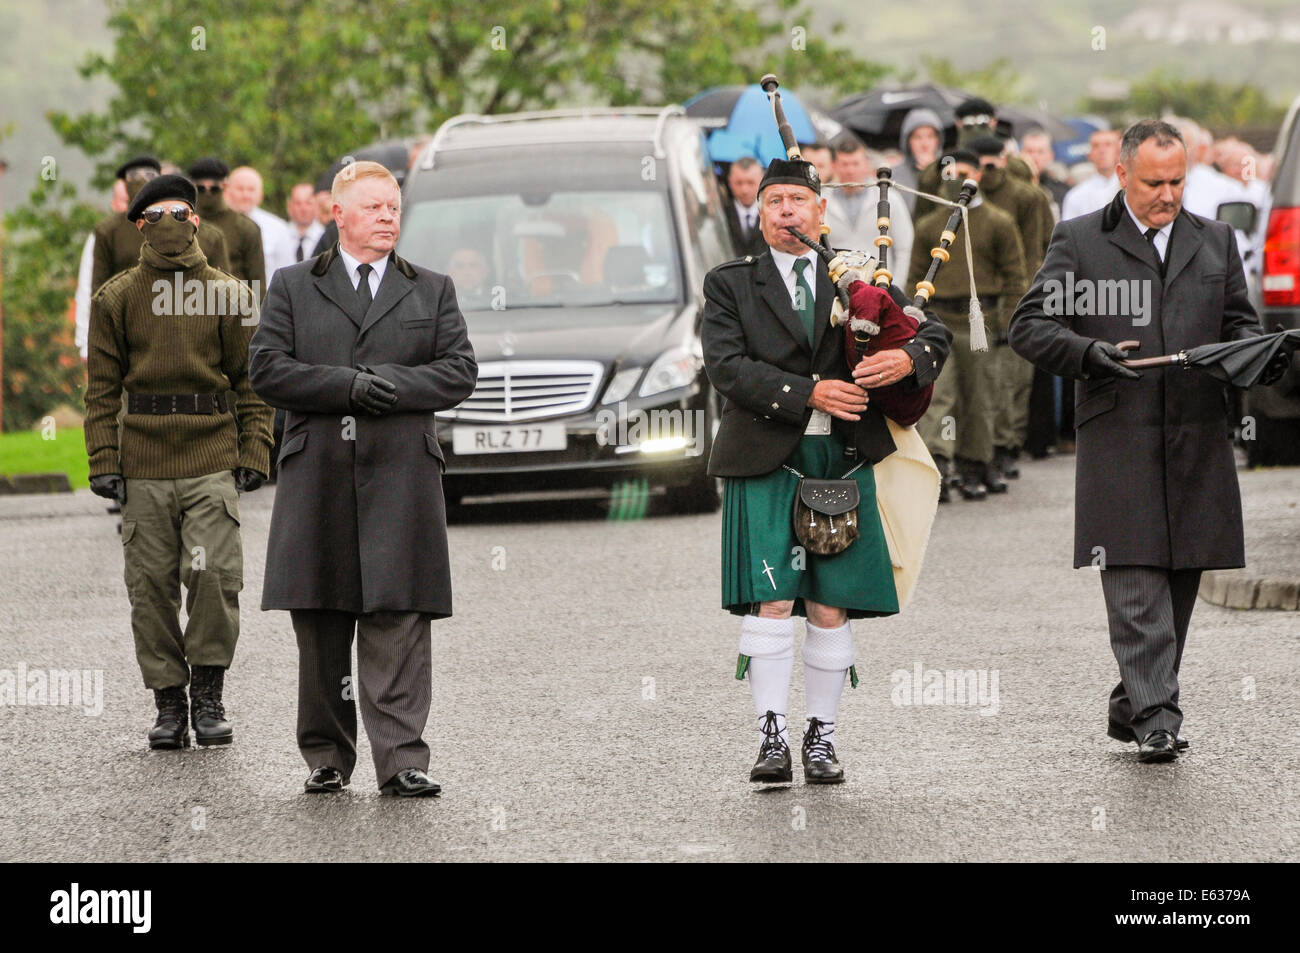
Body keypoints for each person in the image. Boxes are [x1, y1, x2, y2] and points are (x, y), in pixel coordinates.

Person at [1009, 120, 1270, 763]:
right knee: (1133, 580)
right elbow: (1028, 326)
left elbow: (1241, 325)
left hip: (1197, 438)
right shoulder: (1077, 241)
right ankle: (1158, 716)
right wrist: (1088, 353)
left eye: (1178, 180)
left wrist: (1254, 355)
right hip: (1117, 439)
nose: (1169, 194)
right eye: (1155, 182)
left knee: (1180, 582)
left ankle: (1136, 699)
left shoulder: (1216, 241)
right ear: (1121, 174)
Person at [702, 153, 951, 785]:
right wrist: (808, 393)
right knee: (773, 598)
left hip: (840, 458)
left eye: (797, 201)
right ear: (760, 216)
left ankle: (821, 735)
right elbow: (727, 368)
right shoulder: (730, 283)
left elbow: (932, 333)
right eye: (774, 203)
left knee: (830, 604)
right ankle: (771, 735)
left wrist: (908, 363)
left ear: (820, 210)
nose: (787, 212)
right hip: (766, 454)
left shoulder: (857, 278)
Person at [248, 160, 477, 797]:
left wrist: (393, 386)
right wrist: (345, 385)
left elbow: (459, 371)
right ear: (338, 214)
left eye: (394, 208)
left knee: (399, 616)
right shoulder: (293, 285)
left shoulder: (432, 288)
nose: (387, 218)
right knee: (321, 620)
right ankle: (326, 756)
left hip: (402, 479)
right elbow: (266, 369)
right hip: (318, 475)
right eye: (374, 208)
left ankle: (402, 759)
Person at [84, 174, 273, 751]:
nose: (172, 223)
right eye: (158, 213)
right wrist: (103, 457)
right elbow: (101, 389)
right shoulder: (115, 299)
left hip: (210, 455)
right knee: (150, 586)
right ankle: (169, 700)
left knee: (214, 577)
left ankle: (209, 694)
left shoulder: (230, 295)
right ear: (139, 224)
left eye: (182, 212)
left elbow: (251, 384)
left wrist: (255, 447)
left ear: (198, 220)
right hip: (142, 461)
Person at [910, 149, 1027, 502]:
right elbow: (916, 277)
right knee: (938, 396)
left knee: (981, 396)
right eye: (950, 172)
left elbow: (1015, 278)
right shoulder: (930, 225)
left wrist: (1009, 323)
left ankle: (976, 463)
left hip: (981, 322)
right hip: (939, 321)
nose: (957, 178)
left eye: (964, 171)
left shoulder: (999, 221)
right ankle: (940, 464)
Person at [969, 135, 1052, 483]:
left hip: (1020, 294)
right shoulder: (963, 194)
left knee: (1012, 379)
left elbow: (1044, 246)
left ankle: (1006, 446)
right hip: (976, 300)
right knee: (983, 383)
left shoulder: (1026, 197)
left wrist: (1035, 295)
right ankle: (983, 451)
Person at [91, 155, 231, 294]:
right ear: (140, 225)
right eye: (133, 175)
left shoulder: (210, 235)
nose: (141, 179)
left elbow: (225, 293)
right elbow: (98, 288)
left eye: (178, 212)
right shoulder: (108, 230)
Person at [823, 135, 913, 278]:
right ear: (834, 166)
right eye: (845, 164)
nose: (850, 170)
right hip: (835, 286)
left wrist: (896, 289)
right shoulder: (822, 200)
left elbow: (904, 249)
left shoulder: (889, 198)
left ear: (866, 164)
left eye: (855, 163)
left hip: (879, 284)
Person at [187, 157, 266, 294]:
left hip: (233, 307)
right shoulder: (183, 224)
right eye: (201, 188)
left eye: (214, 188)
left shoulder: (245, 228)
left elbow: (257, 283)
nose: (208, 193)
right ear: (192, 186)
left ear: (225, 186)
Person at [75, 180, 128, 361]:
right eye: (124, 201)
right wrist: (84, 343)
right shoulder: (101, 237)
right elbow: (86, 290)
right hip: (110, 342)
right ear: (114, 203)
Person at [225, 165, 296, 280]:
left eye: (251, 189)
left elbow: (289, 273)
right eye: (240, 189)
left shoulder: (278, 228)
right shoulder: (214, 225)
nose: (245, 195)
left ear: (260, 195)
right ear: (227, 191)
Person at [1060, 130, 1121, 221]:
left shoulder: (1132, 190)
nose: (1102, 150)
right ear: (1089, 154)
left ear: (1119, 151)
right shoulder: (1076, 196)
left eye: (1108, 145)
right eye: (1096, 146)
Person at [892, 108, 943, 215]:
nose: (925, 144)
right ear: (907, 141)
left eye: (930, 136)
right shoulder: (894, 175)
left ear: (938, 140)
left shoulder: (949, 171)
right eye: (917, 137)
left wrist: (933, 172)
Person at [723, 157, 767, 257]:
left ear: (762, 181)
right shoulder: (721, 214)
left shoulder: (772, 214)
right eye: (739, 183)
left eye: (750, 183)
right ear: (730, 182)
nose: (744, 190)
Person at [285, 181, 326, 264]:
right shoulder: (280, 235)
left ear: (317, 206)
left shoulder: (325, 237)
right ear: (289, 206)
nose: (303, 208)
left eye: (308, 203)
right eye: (298, 203)